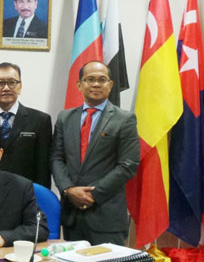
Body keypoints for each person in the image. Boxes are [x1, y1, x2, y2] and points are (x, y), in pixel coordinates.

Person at [51, 61, 139, 245]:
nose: (96, 84)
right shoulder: (65, 118)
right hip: (72, 216)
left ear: (111, 84)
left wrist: (93, 194)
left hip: (106, 215)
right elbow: (56, 158)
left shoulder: (124, 119)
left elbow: (128, 165)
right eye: (90, 79)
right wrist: (68, 190)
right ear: (79, 84)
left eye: (102, 79)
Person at [0, 63, 52, 188]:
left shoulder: (40, 120)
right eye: (0, 83)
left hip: (25, 193)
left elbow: (43, 168)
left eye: (12, 82)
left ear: (20, 87)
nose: (6, 88)